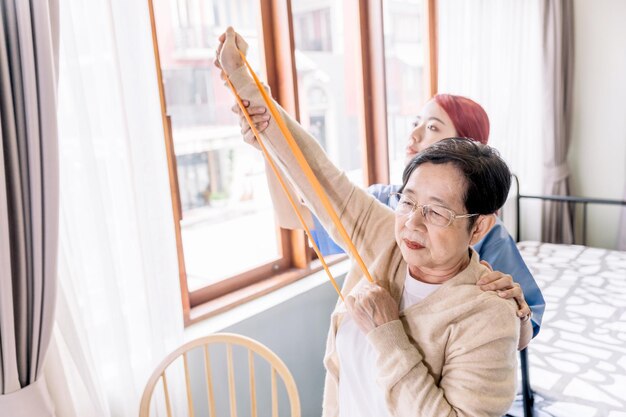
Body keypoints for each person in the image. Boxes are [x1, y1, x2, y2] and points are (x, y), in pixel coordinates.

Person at [217, 28, 522, 416]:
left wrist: (387, 333)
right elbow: (321, 176)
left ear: (479, 227)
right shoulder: (386, 238)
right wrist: (245, 83)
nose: (412, 223)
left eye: (435, 211)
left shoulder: (488, 315)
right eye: (407, 202)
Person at [233, 81, 545, 347]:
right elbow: (293, 216)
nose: (414, 136)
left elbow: (522, 331)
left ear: (464, 147)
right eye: (415, 123)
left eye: (432, 127)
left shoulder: (488, 234)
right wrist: (269, 149)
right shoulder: (382, 200)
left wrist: (514, 314)